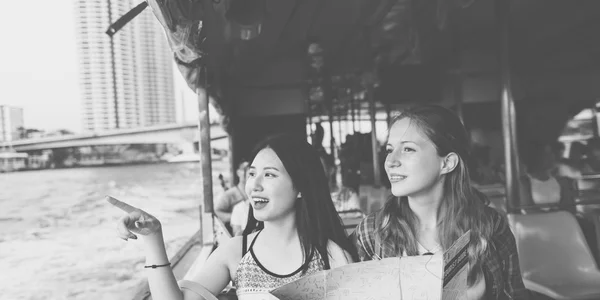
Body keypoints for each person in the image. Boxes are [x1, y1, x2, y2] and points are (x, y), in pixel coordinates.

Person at [107, 134, 357, 300]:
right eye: (252, 174)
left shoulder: (330, 256)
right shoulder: (237, 251)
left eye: (269, 175)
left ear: (301, 187)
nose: (254, 185)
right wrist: (153, 238)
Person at [353, 105, 529, 300]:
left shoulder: (489, 226)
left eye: (408, 149)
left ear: (447, 163)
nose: (391, 161)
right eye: (389, 150)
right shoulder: (372, 233)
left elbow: (516, 295)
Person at [519, 140, 577, 214]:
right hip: (535, 222)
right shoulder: (525, 182)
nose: (552, 156)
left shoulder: (561, 181)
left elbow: (569, 207)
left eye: (551, 153)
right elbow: (528, 209)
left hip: (560, 220)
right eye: (547, 154)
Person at [214, 160, 249, 229]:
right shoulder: (229, 195)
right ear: (238, 172)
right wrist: (236, 217)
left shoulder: (254, 193)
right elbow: (216, 213)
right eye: (244, 170)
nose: (247, 173)